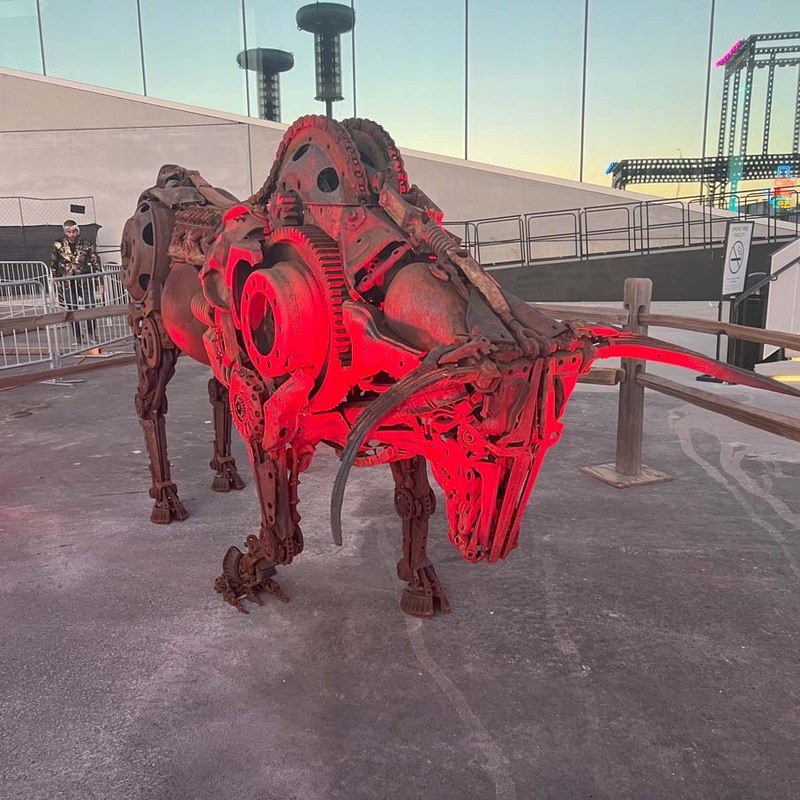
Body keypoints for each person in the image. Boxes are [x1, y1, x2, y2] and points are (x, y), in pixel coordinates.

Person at [50, 219, 102, 345]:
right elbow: (53, 263)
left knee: (90, 306)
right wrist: (56, 279)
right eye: (69, 232)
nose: (72, 234)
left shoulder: (86, 243)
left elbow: (96, 261)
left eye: (74, 231)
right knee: (72, 309)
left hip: (84, 280)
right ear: (65, 232)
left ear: (77, 231)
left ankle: (91, 333)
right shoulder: (58, 244)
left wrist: (100, 281)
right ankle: (77, 336)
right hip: (67, 282)